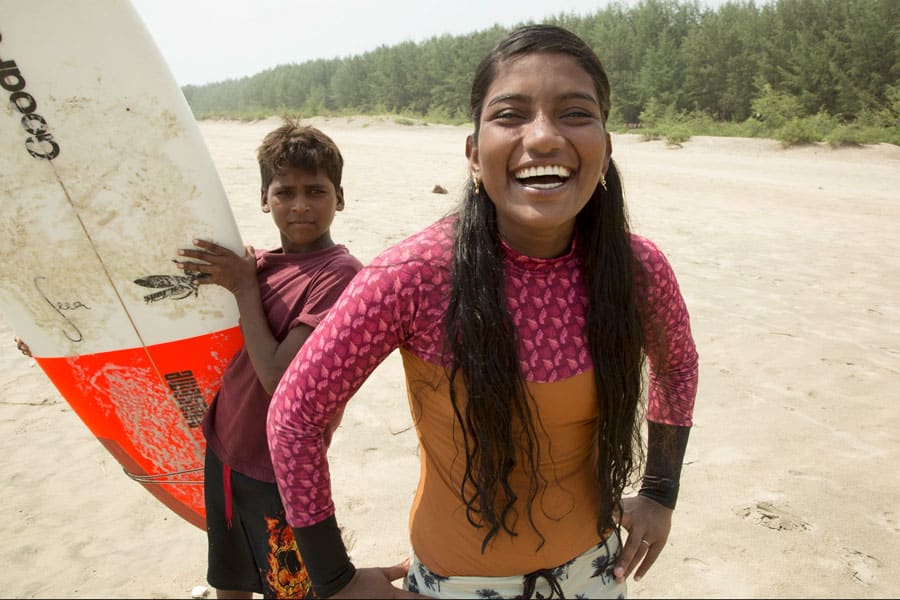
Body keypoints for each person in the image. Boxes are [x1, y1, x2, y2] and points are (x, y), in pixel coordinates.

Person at [267, 24, 699, 599]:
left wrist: (660, 493)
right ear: (474, 154)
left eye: (575, 113)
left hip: (595, 569)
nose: (543, 138)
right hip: (457, 582)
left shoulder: (637, 270)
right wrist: (333, 578)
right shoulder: (414, 276)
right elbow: (294, 417)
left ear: (606, 147)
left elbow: (678, 366)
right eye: (511, 115)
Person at [175, 121, 363, 599]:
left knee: (291, 590)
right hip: (222, 448)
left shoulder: (339, 274)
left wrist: (242, 286)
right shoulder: (256, 265)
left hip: (280, 469)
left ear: (339, 197)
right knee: (231, 580)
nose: (300, 205)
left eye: (315, 191)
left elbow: (280, 378)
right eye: (285, 192)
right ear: (264, 198)